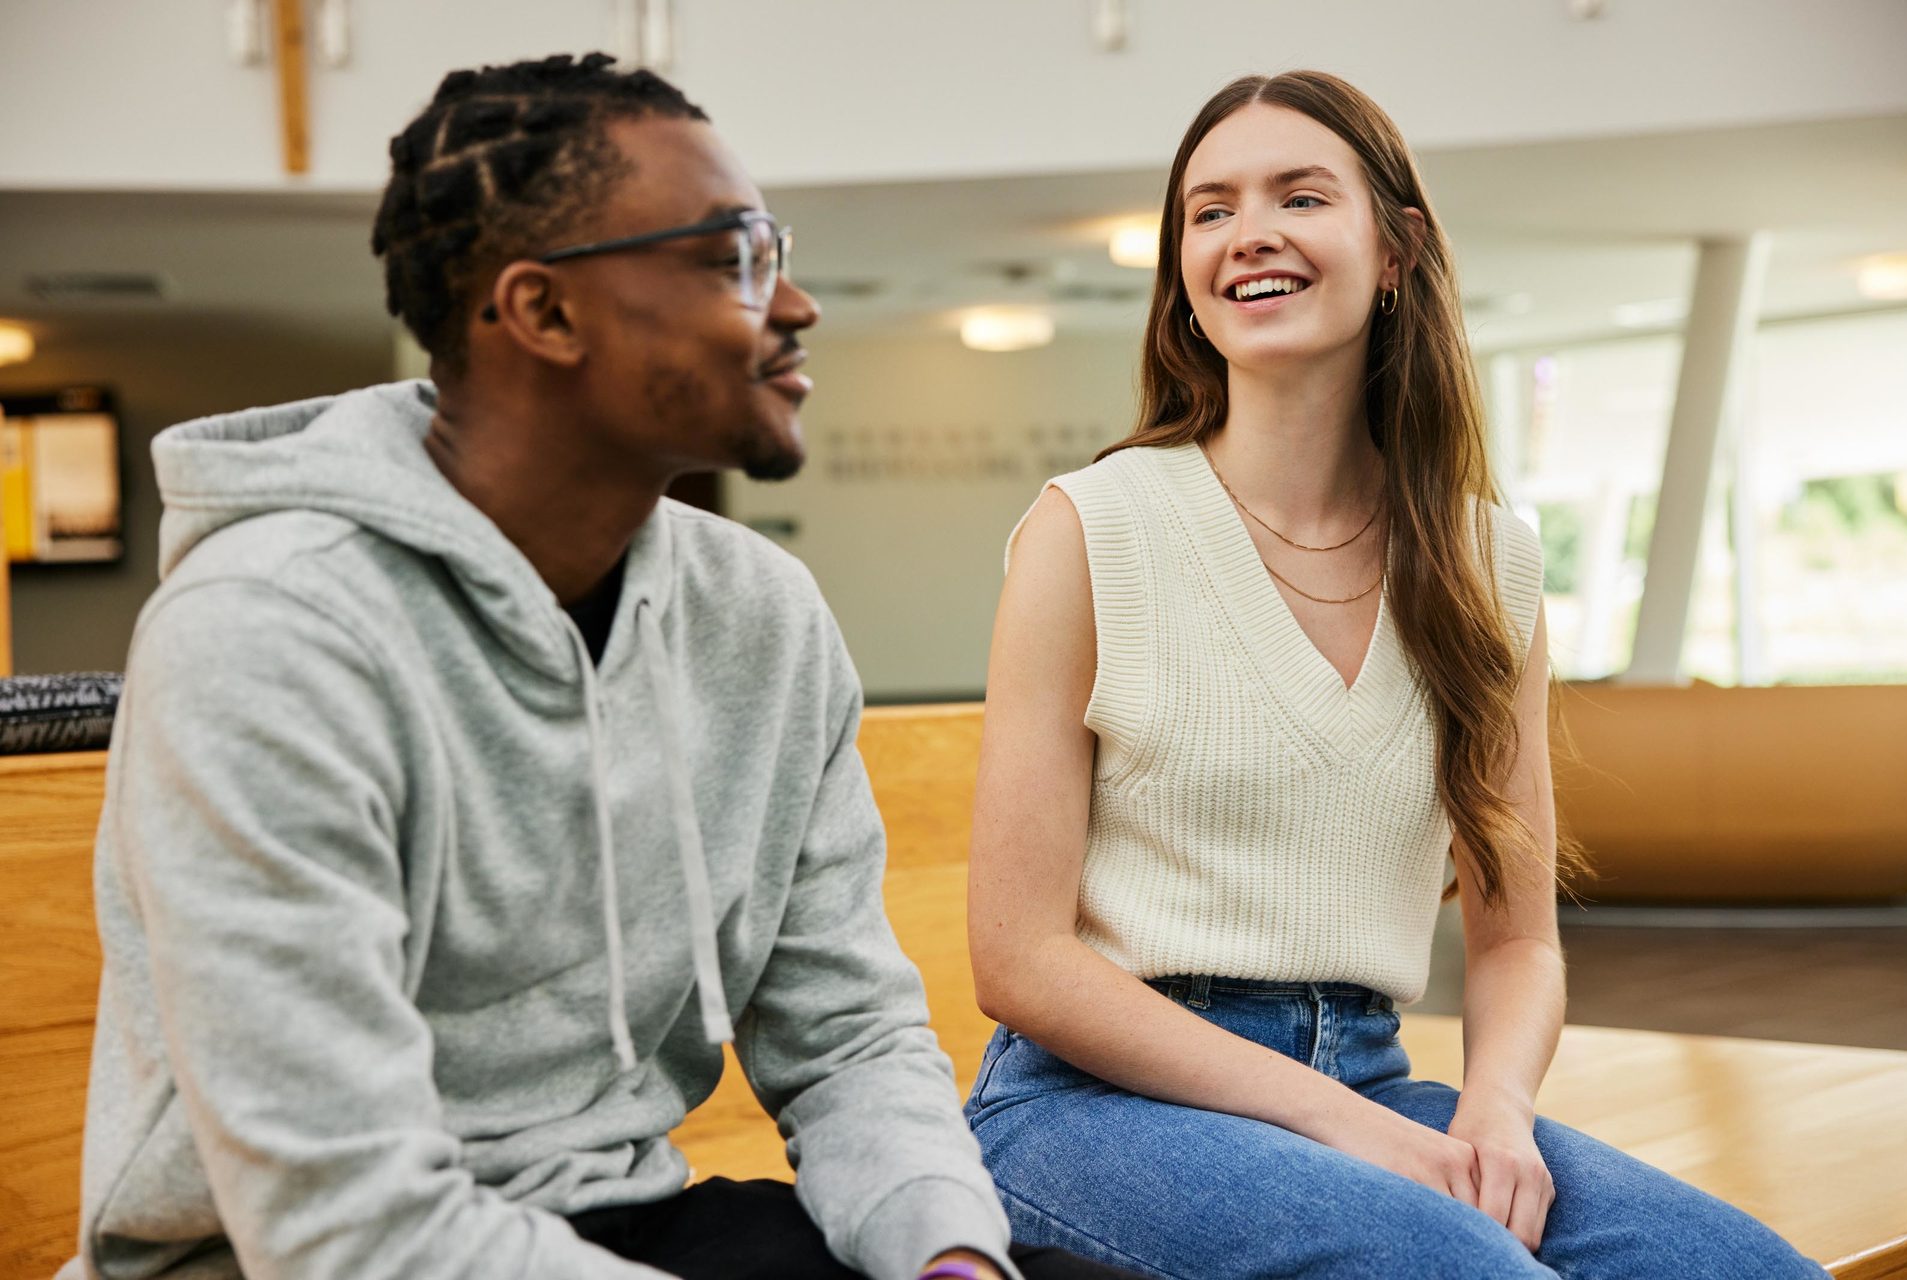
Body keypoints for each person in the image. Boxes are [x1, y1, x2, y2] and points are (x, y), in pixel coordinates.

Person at [65, 54, 1135, 1280]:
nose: (795, 307)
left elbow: (846, 1039)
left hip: (623, 1217)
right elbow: (340, 1221)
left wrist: (949, 1254)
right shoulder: (268, 632)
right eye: (730, 257)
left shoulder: (759, 613)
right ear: (545, 312)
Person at [961, 71, 1827, 1279]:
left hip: (1369, 1073)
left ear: (1396, 251)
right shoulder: (1089, 528)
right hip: (1090, 1109)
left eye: (1300, 195)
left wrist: (1499, 1112)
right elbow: (1020, 958)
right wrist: (1352, 1130)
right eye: (1208, 211)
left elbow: (1518, 937)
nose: (1247, 231)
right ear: (1182, 274)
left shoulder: (1488, 560)